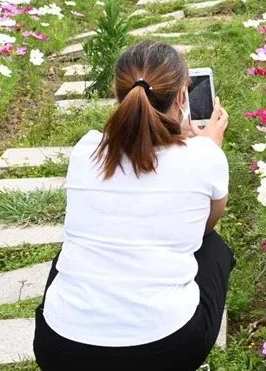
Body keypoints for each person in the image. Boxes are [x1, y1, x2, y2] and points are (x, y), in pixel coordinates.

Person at [32, 42, 233, 371]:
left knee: (69, 252)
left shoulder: (87, 149)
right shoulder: (204, 155)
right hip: (166, 349)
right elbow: (204, 227)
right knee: (213, 247)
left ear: (117, 95)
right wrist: (204, 146)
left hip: (60, 349)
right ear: (182, 98)